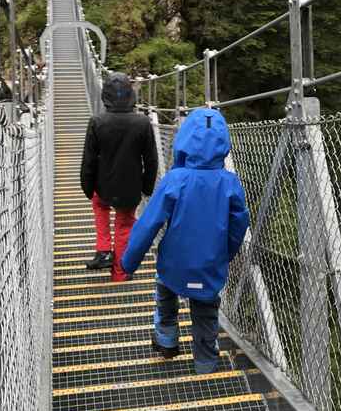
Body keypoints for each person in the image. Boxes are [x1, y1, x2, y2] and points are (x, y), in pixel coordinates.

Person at [121, 108, 250, 374]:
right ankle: (205, 363)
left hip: (173, 263)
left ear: (184, 140)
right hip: (209, 263)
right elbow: (239, 225)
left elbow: (148, 224)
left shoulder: (175, 179)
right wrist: (225, 254)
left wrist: (129, 262)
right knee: (205, 312)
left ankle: (167, 342)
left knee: (165, 295)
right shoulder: (230, 182)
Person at [80, 73, 158, 281]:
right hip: (130, 186)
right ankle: (120, 273)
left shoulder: (97, 121)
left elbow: (89, 158)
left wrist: (87, 186)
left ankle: (104, 249)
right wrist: (147, 187)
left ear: (105, 94)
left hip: (103, 184)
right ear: (130, 94)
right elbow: (151, 160)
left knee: (99, 205)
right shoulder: (142, 123)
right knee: (124, 225)